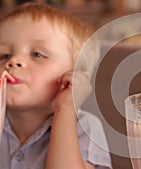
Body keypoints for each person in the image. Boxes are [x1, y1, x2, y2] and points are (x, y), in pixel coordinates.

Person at [0, 3, 112, 169]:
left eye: (37, 54)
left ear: (73, 76)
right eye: (4, 55)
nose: (13, 61)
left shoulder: (84, 127)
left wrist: (66, 108)